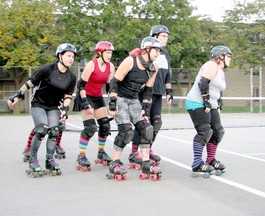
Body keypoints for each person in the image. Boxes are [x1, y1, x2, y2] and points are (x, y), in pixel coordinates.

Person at [7, 43, 77, 177]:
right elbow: (30, 82)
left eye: (73, 56)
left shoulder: (71, 77)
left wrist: (65, 109)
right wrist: (17, 95)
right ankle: (33, 159)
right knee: (42, 129)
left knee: (54, 131)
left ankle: (50, 160)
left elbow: (68, 95)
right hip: (38, 104)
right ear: (60, 56)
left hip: (53, 106)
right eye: (68, 55)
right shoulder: (48, 69)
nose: (71, 59)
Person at [107, 36, 162, 180]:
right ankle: (115, 162)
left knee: (146, 129)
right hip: (120, 98)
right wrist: (112, 104)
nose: (158, 53)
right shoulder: (130, 61)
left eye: (159, 50)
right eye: (156, 50)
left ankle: (145, 163)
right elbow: (114, 82)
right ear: (147, 49)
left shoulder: (153, 67)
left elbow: (148, 90)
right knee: (126, 131)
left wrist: (145, 109)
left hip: (133, 100)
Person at [128, 24, 173, 168]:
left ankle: (148, 147)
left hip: (158, 92)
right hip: (144, 91)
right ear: (154, 37)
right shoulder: (146, 52)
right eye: (163, 36)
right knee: (142, 122)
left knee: (156, 122)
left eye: (167, 36)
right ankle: (135, 151)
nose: (166, 38)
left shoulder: (164, 54)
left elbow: (168, 74)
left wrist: (169, 91)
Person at [185, 45, 232, 177]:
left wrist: (218, 103)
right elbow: (203, 83)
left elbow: (216, 89)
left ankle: (210, 159)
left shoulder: (221, 71)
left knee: (218, 131)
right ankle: (197, 163)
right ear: (220, 56)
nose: (230, 59)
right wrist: (206, 101)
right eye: (229, 56)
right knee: (205, 131)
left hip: (210, 103)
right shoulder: (211, 65)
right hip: (196, 102)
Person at [73, 41, 115, 171]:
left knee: (105, 125)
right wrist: (85, 103)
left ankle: (101, 152)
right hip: (85, 95)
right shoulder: (91, 65)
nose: (110, 55)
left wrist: (112, 104)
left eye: (111, 53)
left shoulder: (110, 66)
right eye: (108, 53)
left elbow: (110, 87)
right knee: (90, 127)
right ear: (100, 53)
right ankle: (81, 155)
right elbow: (81, 85)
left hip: (97, 97)